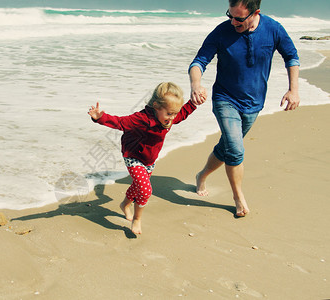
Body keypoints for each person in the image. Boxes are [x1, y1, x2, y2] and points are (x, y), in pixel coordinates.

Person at [188, 0, 300, 217]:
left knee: (227, 147)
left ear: (255, 13)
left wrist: (293, 90)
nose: (232, 21)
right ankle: (238, 197)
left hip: (254, 103)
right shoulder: (222, 31)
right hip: (225, 99)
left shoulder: (273, 29)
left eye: (238, 18)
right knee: (236, 149)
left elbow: (291, 57)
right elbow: (199, 61)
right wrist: (196, 84)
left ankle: (201, 175)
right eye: (229, 15)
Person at [88, 82, 197, 234]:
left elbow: (183, 114)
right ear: (156, 106)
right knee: (145, 190)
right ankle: (137, 219)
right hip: (133, 155)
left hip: (149, 159)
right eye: (169, 114)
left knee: (138, 186)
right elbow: (120, 122)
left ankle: (125, 204)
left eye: (174, 114)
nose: (172, 118)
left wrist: (193, 103)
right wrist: (100, 118)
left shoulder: (169, 118)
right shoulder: (141, 119)